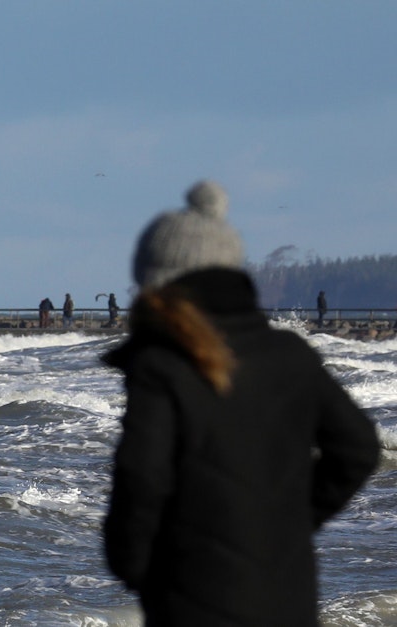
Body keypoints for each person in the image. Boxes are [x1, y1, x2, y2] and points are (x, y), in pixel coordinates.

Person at [103, 180, 379, 624]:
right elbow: (359, 448)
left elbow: (141, 476)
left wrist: (136, 567)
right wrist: (290, 523)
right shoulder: (289, 353)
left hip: (191, 595)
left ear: (160, 285)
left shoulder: (164, 363)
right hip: (287, 595)